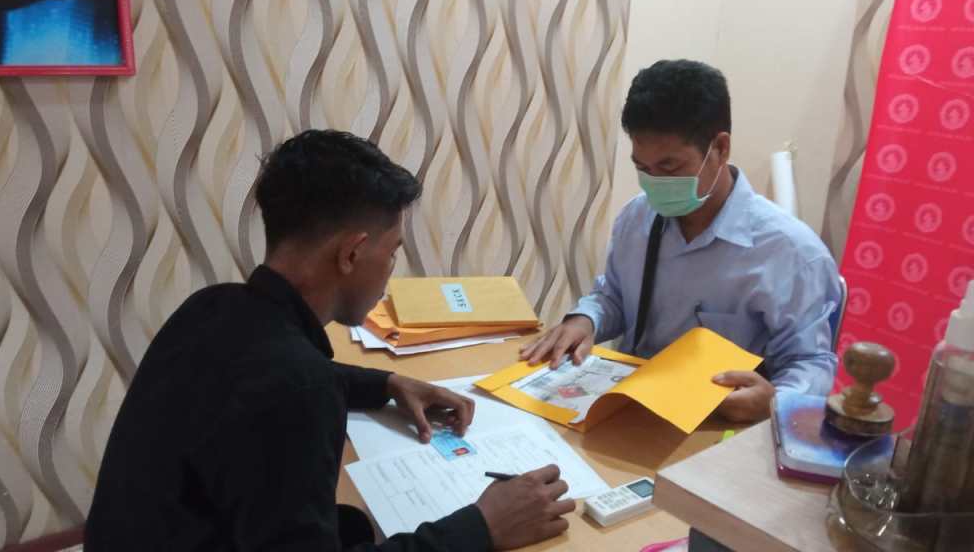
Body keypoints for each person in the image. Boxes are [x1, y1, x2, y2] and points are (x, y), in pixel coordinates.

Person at [85, 130, 575, 551]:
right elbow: (291, 384)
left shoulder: (214, 307)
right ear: (351, 254)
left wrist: (386, 383)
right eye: (392, 252)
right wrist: (482, 526)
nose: (391, 269)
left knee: (355, 523)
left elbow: (269, 375)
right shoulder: (297, 386)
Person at [521, 60, 841, 423]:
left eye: (669, 167)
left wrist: (775, 401)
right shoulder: (637, 218)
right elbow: (614, 295)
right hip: (632, 409)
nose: (655, 183)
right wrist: (585, 319)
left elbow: (811, 363)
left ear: (720, 148)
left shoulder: (791, 252)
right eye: (642, 168)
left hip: (717, 426)